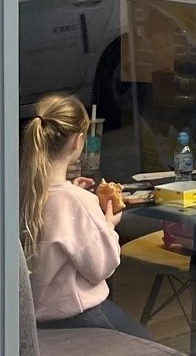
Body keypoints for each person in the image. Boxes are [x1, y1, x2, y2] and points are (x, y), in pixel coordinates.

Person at [20, 93, 152, 337]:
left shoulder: (25, 195)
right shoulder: (79, 202)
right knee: (148, 346)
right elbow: (100, 267)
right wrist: (108, 226)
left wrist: (74, 195)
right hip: (78, 314)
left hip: (37, 318)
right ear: (77, 141)